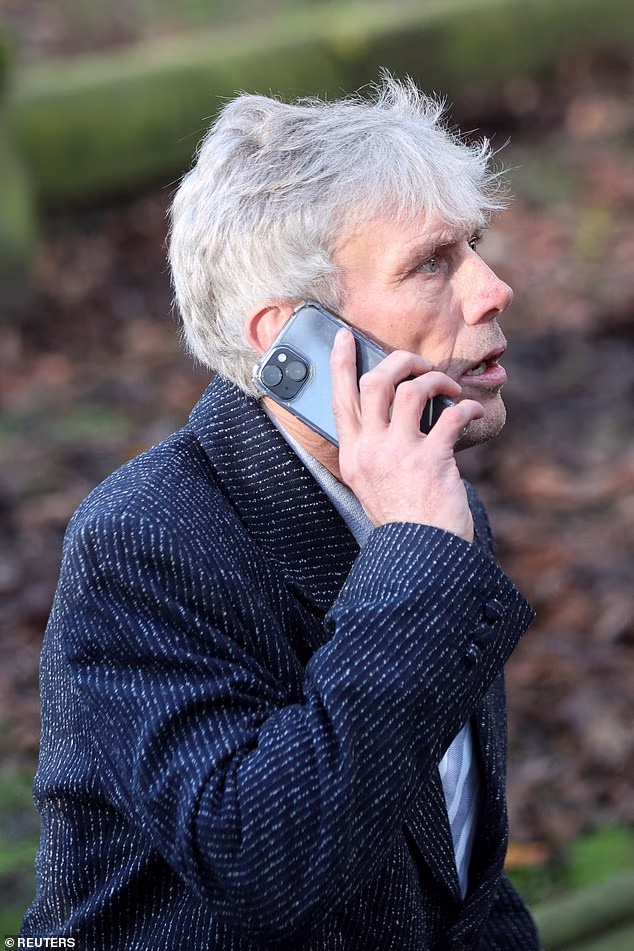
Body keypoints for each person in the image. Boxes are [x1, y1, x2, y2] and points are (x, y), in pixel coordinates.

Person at [22, 74, 541, 949]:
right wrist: (417, 554)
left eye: (476, 247)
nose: (494, 289)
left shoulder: (424, 488)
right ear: (289, 340)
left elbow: (458, 881)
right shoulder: (145, 538)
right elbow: (267, 868)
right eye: (432, 263)